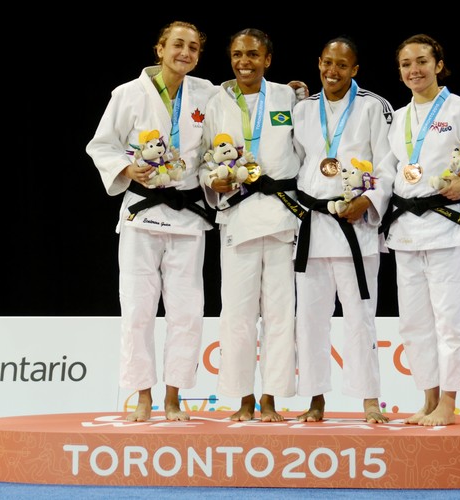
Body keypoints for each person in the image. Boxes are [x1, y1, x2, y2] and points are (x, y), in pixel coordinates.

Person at [86, 21, 218, 422]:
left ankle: (174, 396)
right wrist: (128, 169)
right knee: (139, 308)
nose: (186, 53)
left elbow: (242, 100)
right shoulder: (127, 94)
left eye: (193, 47)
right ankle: (143, 396)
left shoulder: (208, 93)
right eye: (178, 44)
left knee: (187, 310)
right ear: (159, 49)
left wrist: (294, 92)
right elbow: (101, 144)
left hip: (188, 215)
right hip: (141, 214)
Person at [380, 34, 460, 426]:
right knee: (414, 322)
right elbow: (389, 173)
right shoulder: (399, 117)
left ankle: (449, 403)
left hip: (447, 227)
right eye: (405, 64)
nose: (413, 70)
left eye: (421, 61)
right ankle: (428, 398)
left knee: (450, 319)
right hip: (405, 230)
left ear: (438, 64)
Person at [199, 28, 307, 422]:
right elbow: (203, 159)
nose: (245, 61)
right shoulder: (216, 102)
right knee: (237, 314)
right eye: (238, 54)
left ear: (268, 59)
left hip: (280, 215)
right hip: (238, 215)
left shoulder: (288, 97)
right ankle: (243, 398)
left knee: (281, 314)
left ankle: (271, 400)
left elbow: (305, 149)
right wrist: (214, 181)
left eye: (253, 55)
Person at [292, 36, 395, 423]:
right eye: (327, 62)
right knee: (310, 320)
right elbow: (297, 164)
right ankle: (316, 397)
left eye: (342, 65)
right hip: (314, 226)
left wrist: (367, 202)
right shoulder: (303, 110)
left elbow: (388, 164)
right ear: (318, 62)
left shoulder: (373, 106)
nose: (332, 71)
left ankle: (370, 399)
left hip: (357, 230)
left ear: (355, 70)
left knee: (360, 317)